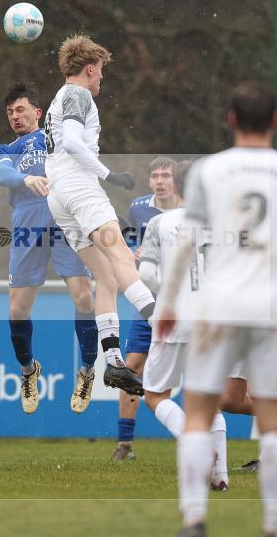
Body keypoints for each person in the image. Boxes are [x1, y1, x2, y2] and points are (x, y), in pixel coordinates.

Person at [156, 83, 277, 537]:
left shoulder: (210, 172)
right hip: (271, 309)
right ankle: (273, 526)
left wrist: (169, 301)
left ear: (231, 120)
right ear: (276, 122)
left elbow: (186, 244)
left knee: (199, 410)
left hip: (218, 306)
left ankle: (195, 519)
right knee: (274, 416)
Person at [43, 34, 158, 397]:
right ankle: (164, 325)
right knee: (123, 257)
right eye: (101, 72)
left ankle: (113, 361)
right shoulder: (76, 94)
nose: (101, 79)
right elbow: (75, 143)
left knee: (106, 275)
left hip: (58, 195)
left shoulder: (56, 99)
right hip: (79, 188)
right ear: (89, 69)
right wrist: (109, 175)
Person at [0, 83, 99, 415]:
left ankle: (87, 371)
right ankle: (28, 371)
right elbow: (0, 173)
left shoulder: (56, 139)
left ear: (38, 112)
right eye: (10, 112)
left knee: (84, 298)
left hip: (65, 220)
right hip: (27, 223)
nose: (15, 116)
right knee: (16, 311)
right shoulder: (5, 149)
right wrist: (25, 179)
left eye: (21, 109)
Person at [135, 160, 231, 490]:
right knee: (207, 400)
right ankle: (220, 477)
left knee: (155, 395)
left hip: (172, 320)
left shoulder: (160, 223)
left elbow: (146, 274)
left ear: (175, 187)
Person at [112, 156, 178, 462]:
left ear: (175, 181)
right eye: (156, 176)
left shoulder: (190, 211)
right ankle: (125, 445)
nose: (161, 180)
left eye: (166, 175)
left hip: (181, 304)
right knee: (130, 368)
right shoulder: (138, 209)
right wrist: (133, 253)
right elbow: (125, 244)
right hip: (148, 302)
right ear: (150, 180)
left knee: (207, 372)